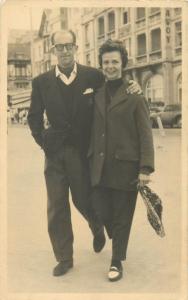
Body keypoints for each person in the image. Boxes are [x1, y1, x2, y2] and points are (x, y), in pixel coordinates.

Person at [27, 30, 142, 277]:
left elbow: (116, 81)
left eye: (69, 46)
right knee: (57, 205)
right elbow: (33, 118)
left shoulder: (93, 76)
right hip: (55, 155)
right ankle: (64, 257)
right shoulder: (41, 82)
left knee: (84, 199)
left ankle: (96, 226)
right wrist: (44, 143)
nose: (65, 51)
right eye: (60, 47)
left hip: (82, 153)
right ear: (53, 50)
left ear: (76, 47)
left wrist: (132, 83)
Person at [88, 39, 154, 282]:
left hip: (126, 167)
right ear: (101, 65)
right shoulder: (96, 94)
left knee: (122, 217)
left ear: (123, 64)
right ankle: (110, 233)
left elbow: (145, 133)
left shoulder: (135, 95)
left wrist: (145, 168)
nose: (110, 66)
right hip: (99, 166)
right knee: (100, 208)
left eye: (115, 61)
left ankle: (116, 261)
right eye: (106, 62)